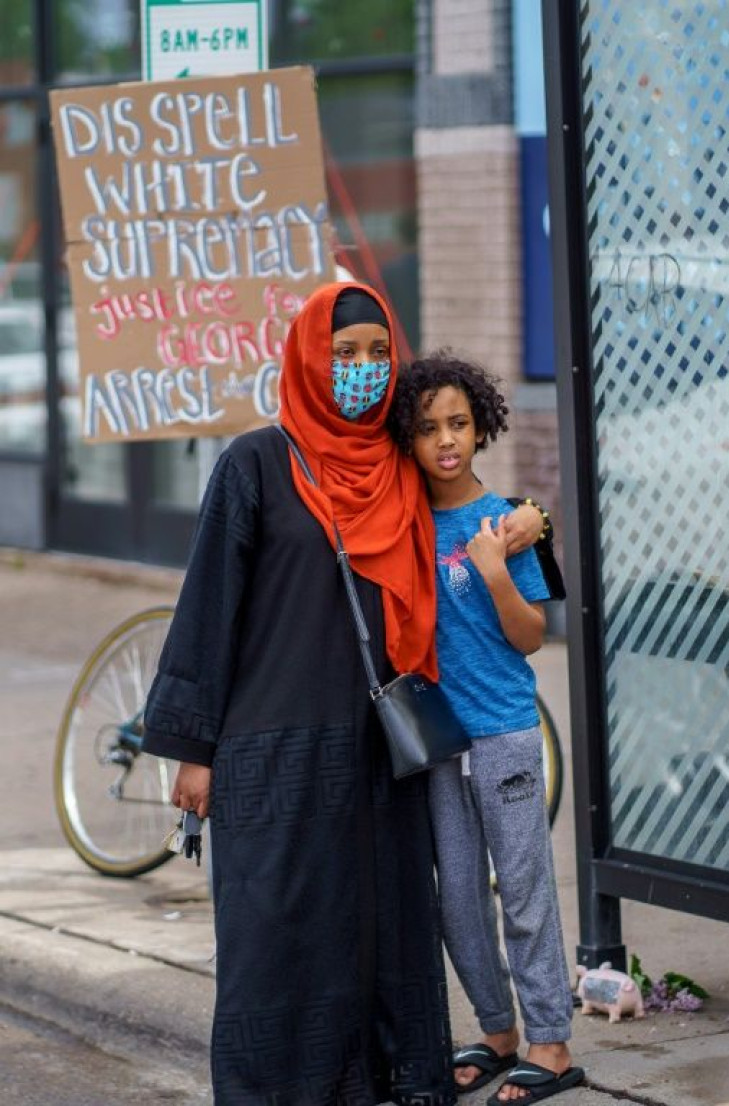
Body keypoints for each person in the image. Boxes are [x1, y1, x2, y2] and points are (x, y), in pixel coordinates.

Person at [143, 283, 545, 1106]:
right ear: (308, 358)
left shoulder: (401, 466)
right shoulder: (256, 463)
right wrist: (190, 748)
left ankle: (385, 1081)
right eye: (344, 352)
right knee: (276, 928)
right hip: (272, 750)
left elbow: (475, 498)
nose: (362, 368)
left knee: (380, 927)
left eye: (376, 352)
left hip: (378, 751)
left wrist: (528, 516)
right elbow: (207, 606)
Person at [389, 352, 584, 1105]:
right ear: (407, 439)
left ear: (482, 428)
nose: (445, 441)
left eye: (459, 424)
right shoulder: (405, 522)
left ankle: (552, 1042)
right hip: (439, 743)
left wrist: (497, 565)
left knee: (525, 891)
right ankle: (498, 1031)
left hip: (503, 734)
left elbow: (533, 635)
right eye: (429, 428)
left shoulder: (505, 521)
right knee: (457, 898)